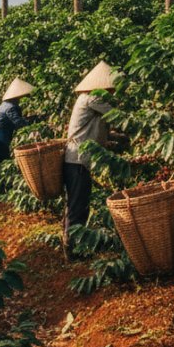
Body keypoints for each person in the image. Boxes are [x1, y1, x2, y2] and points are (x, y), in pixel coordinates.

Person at [62, 62, 117, 261]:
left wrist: (114, 140)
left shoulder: (86, 99)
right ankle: (73, 251)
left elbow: (99, 130)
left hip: (77, 159)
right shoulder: (92, 98)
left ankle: (70, 245)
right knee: (78, 206)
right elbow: (116, 116)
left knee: (75, 204)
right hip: (78, 160)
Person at [0, 78, 37, 162]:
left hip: (0, 131)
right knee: (2, 155)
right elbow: (17, 121)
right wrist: (30, 126)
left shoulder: (7, 104)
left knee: (0, 155)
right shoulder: (10, 107)